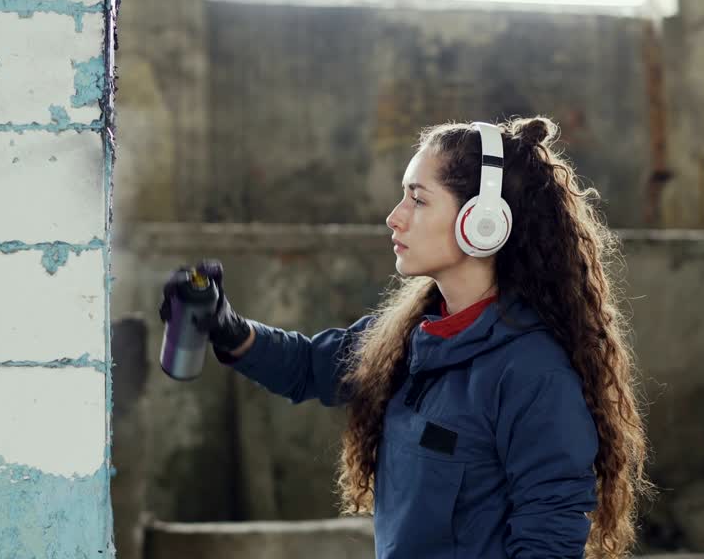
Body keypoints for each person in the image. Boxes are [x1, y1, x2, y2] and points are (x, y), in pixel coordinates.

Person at [158, 116, 652, 558]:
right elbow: (310, 367)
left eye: (417, 198)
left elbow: (548, 543)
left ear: (483, 224)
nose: (395, 216)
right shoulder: (410, 335)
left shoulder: (532, 373)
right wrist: (226, 327)